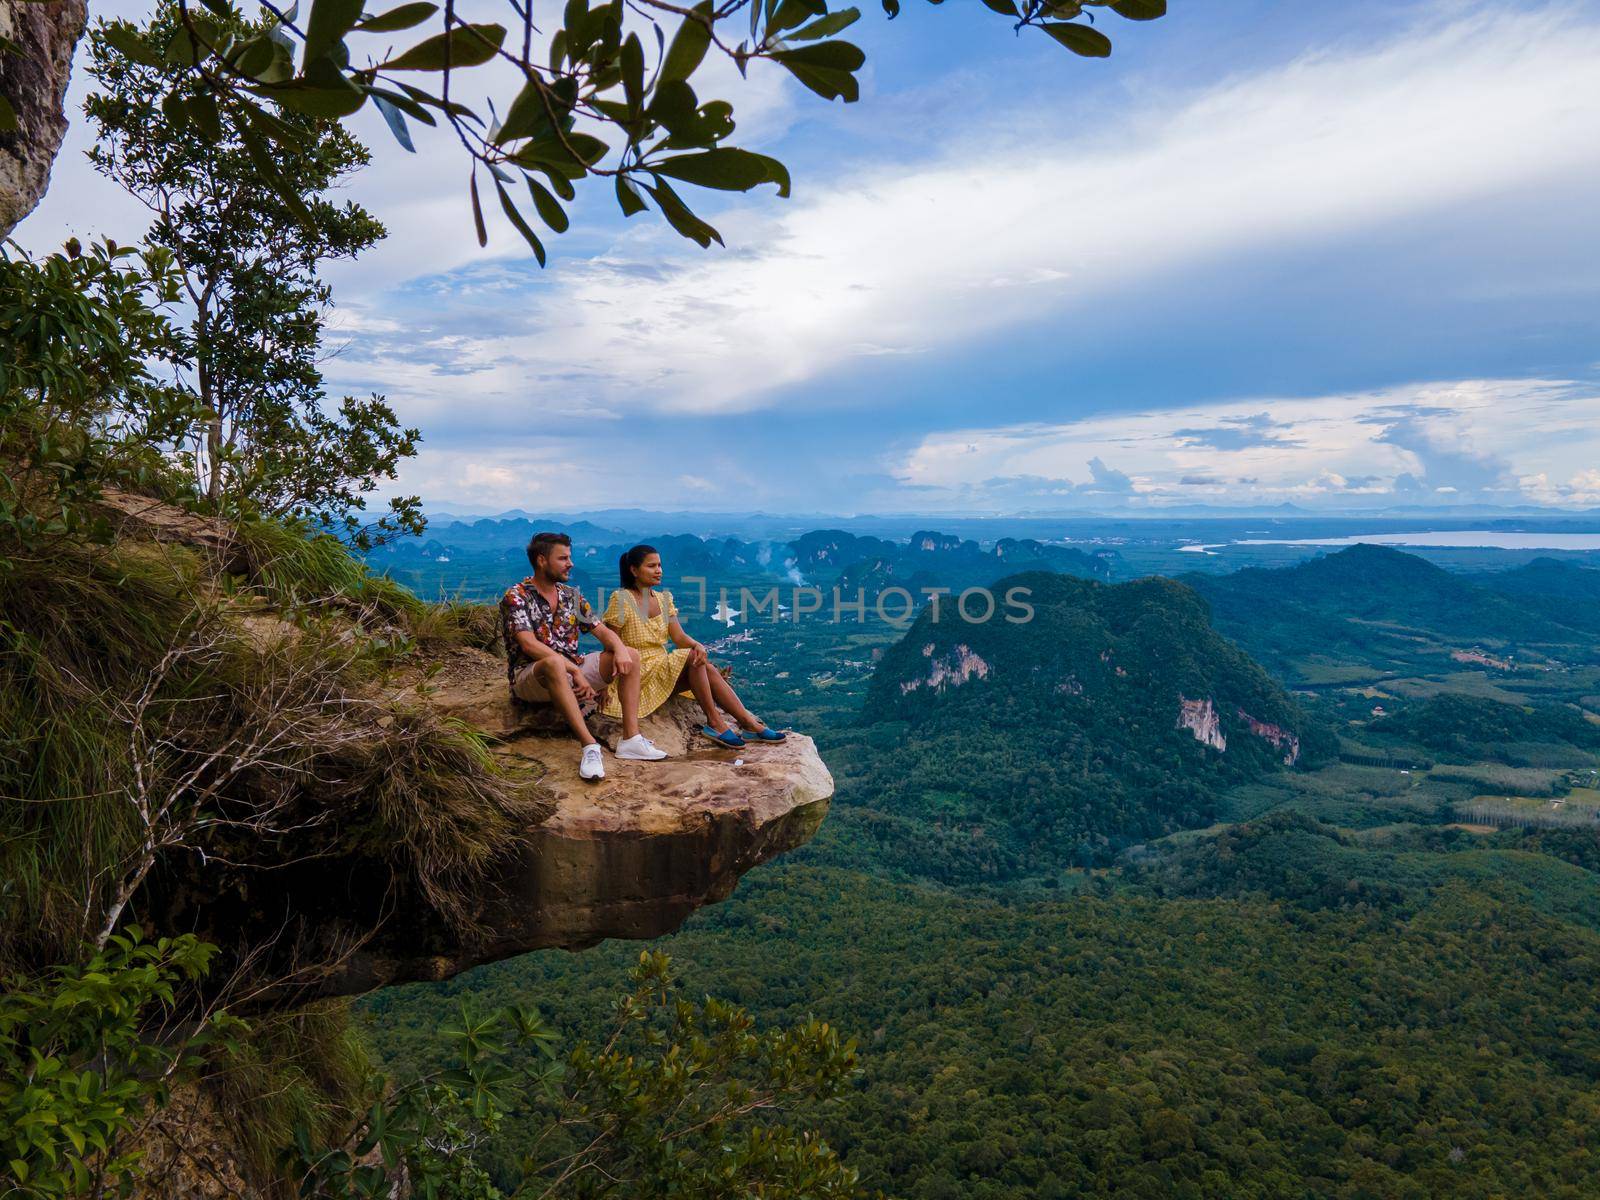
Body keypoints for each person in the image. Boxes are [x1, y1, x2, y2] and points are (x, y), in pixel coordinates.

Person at [500, 531, 668, 782]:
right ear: (541, 560)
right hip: (532, 677)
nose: (570, 563)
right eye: (563, 558)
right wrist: (575, 671)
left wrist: (620, 650)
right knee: (555, 662)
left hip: (570, 669)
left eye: (569, 557)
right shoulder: (516, 596)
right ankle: (589, 747)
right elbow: (528, 644)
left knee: (630, 654)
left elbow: (601, 630)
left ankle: (631, 739)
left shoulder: (570, 596)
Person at [604, 544, 786, 749]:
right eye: (651, 566)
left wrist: (697, 644)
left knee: (702, 662)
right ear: (634, 570)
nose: (659, 570)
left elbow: (679, 637)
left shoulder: (664, 599)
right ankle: (717, 722)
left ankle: (748, 723)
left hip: (660, 669)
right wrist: (605, 683)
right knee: (693, 658)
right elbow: (612, 642)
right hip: (638, 670)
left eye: (660, 565)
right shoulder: (621, 599)